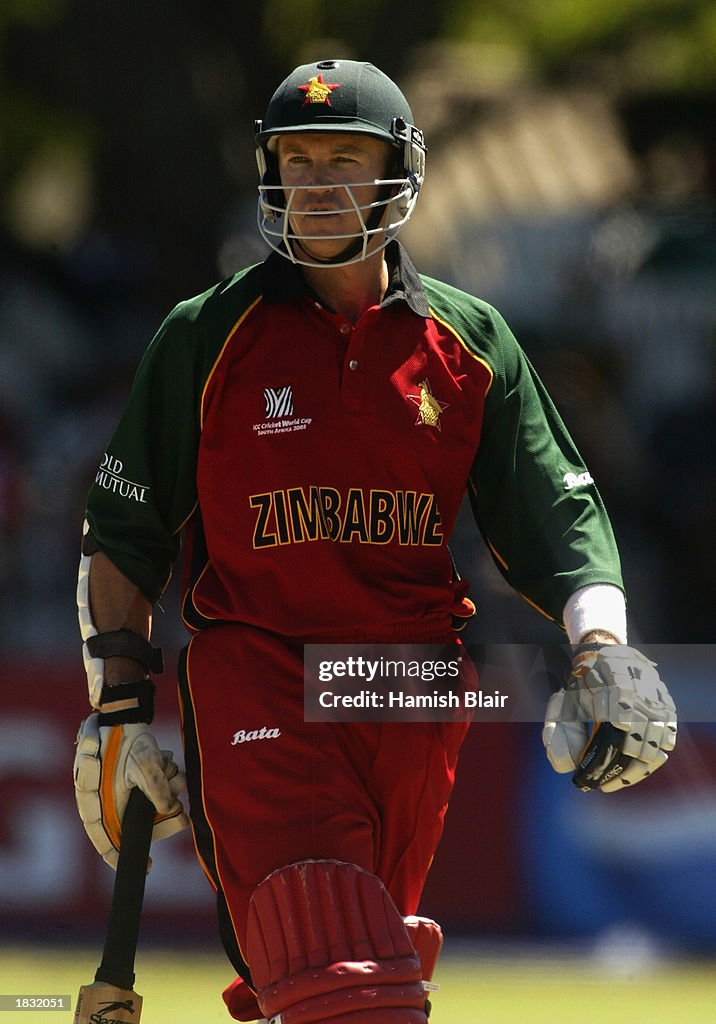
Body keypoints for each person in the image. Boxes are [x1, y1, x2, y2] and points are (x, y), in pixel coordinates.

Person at [73, 59, 677, 1023]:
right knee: (340, 978)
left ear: (398, 172)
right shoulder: (205, 335)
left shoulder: (470, 342)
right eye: (295, 160)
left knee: (354, 962)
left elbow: (557, 517)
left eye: (343, 158)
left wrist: (603, 645)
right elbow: (124, 536)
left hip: (410, 689)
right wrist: (116, 716)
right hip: (261, 676)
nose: (313, 183)